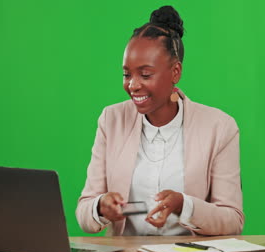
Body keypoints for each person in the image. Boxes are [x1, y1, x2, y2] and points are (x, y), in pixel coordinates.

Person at [76, 5, 244, 236]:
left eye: (145, 75)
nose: (133, 85)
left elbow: (232, 220)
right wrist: (100, 207)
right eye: (127, 74)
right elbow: (84, 213)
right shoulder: (111, 120)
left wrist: (184, 205)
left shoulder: (219, 127)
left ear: (175, 72)